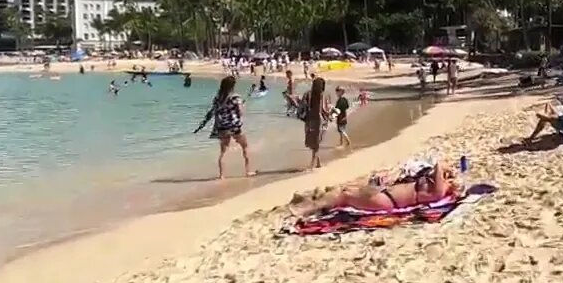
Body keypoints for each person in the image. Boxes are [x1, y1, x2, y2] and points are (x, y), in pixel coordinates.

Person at [289, 162, 458, 218]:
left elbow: (439, 165)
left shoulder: (439, 191)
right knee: (347, 189)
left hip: (386, 201)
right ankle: (314, 201)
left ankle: (307, 208)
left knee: (345, 195)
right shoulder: (437, 186)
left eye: (455, 180)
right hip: (385, 193)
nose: (453, 179)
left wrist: (445, 169)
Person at [194, 76, 254, 180]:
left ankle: (222, 175)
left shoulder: (218, 97)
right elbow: (240, 113)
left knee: (223, 152)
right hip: (235, 127)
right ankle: (248, 171)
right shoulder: (235, 97)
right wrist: (243, 106)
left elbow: (212, 111)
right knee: (245, 147)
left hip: (222, 127)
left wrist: (202, 125)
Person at [302, 76, 332, 170]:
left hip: (310, 121)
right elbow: (327, 109)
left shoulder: (307, 94)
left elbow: (302, 107)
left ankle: (312, 164)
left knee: (313, 143)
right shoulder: (325, 95)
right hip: (321, 121)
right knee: (316, 142)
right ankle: (318, 162)